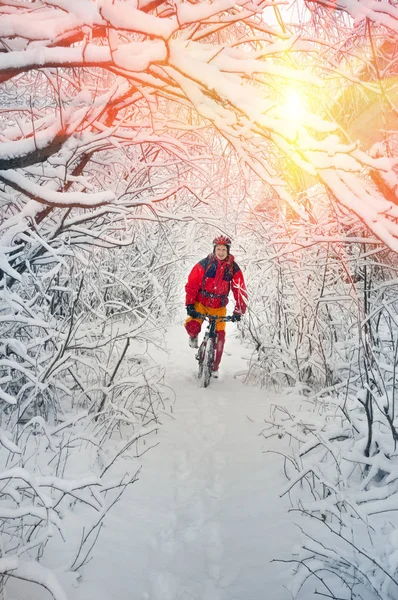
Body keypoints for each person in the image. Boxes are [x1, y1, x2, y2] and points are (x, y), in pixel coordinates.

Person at [184, 235, 247, 378]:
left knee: (220, 338)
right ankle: (193, 337)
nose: (220, 252)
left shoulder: (232, 268)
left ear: (228, 251)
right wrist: (190, 304)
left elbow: (240, 289)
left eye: (223, 249)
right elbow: (192, 284)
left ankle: (214, 368)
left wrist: (239, 309)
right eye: (218, 249)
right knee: (193, 325)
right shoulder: (205, 264)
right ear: (214, 249)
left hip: (219, 306)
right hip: (201, 303)